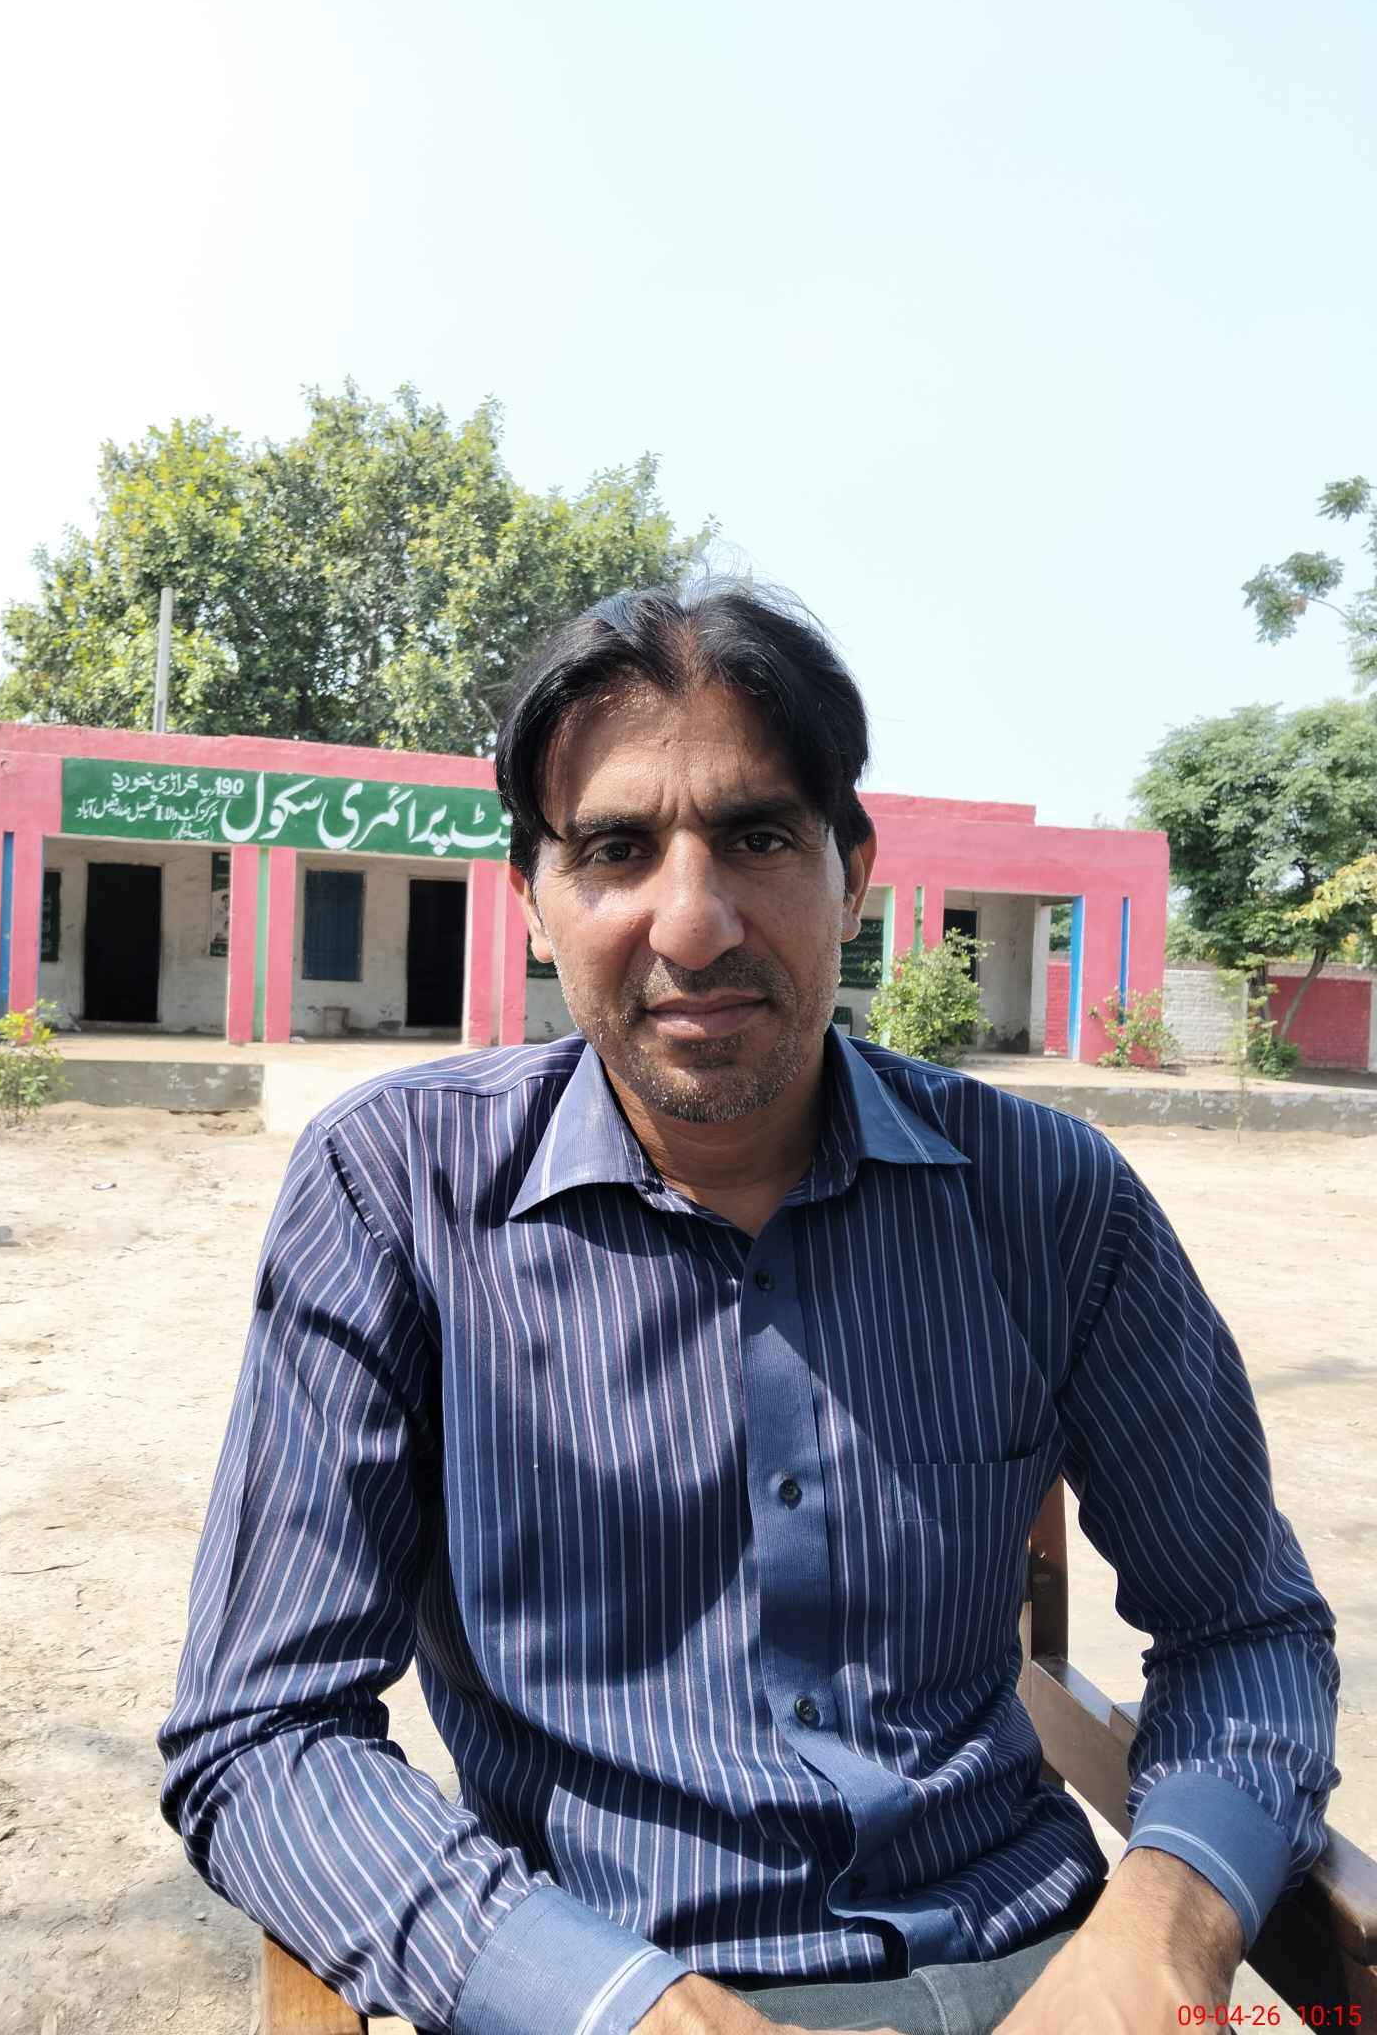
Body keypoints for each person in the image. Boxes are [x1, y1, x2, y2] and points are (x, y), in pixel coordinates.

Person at [159, 580, 1339, 2035]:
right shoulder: (397, 1192)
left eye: (759, 838)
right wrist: (610, 2003)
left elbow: (1244, 1628)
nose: (696, 923)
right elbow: (263, 1730)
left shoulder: (1047, 1201)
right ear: (533, 900)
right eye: (616, 850)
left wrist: (1163, 1931)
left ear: (854, 873)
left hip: (1033, 1968)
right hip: (602, 1978)